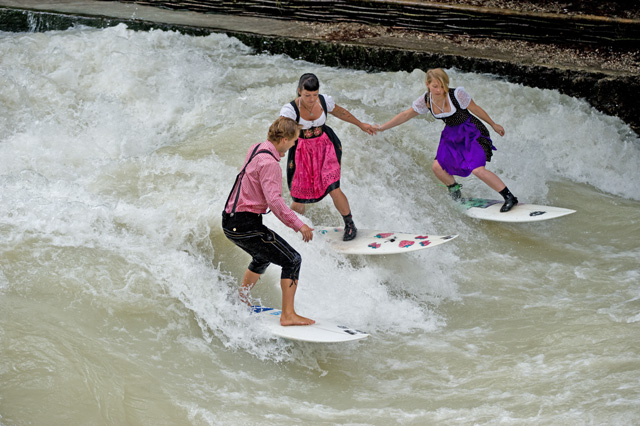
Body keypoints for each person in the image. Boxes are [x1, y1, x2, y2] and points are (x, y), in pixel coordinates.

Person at [376, 68, 518, 212]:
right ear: (427, 84)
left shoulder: (457, 95)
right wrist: (382, 127)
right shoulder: (426, 100)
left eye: (442, 86)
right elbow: (405, 115)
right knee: (437, 167)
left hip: (471, 131)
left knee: (477, 170)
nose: (439, 90)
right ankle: (456, 194)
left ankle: (509, 197)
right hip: (451, 135)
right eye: (435, 86)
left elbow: (476, 109)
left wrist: (493, 124)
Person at [222, 117, 315, 326]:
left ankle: (242, 300)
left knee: (262, 255)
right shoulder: (270, 164)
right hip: (245, 224)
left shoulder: (257, 148)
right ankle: (288, 315)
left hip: (230, 220)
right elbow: (275, 202)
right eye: (293, 142)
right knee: (292, 260)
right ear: (283, 139)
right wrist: (299, 225)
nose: (293, 146)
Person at [280, 73, 377, 241]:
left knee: (333, 187)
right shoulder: (290, 110)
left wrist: (361, 124)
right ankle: (293, 230)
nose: (311, 99)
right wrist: (277, 150)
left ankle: (350, 224)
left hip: (326, 148)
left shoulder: (324, 101)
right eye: (307, 95)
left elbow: (341, 112)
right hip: (301, 152)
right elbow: (280, 132)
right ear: (299, 91)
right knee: (298, 197)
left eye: (315, 95)